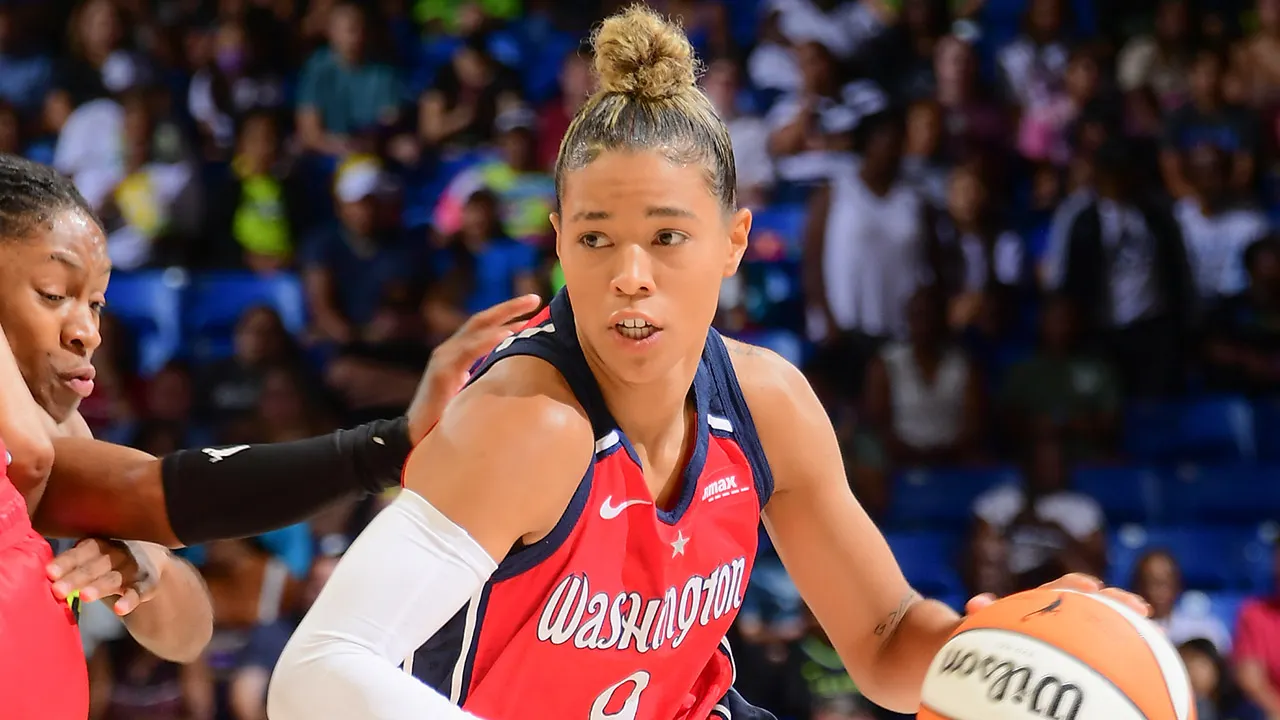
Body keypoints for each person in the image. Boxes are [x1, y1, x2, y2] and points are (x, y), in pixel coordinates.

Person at [267, 8, 1148, 719]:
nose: (630, 275)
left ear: (734, 242)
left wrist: (1000, 652)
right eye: (596, 239)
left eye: (667, 237)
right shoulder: (523, 424)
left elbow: (884, 640)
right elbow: (315, 673)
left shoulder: (766, 404)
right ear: (559, 243)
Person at [0, 151, 541, 720]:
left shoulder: (59, 431)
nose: (87, 331)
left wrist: (144, 569)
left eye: (96, 303)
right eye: (53, 294)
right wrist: (387, 447)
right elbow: (41, 463)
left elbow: (187, 625)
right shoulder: (36, 445)